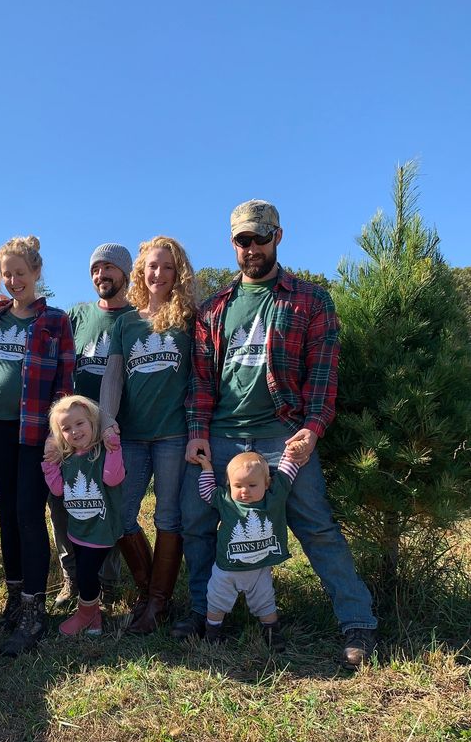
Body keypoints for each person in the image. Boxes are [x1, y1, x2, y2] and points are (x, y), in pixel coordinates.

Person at [176, 199, 378, 667]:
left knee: (315, 524)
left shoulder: (310, 299)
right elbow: (201, 381)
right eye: (242, 240)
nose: (251, 249)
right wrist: (198, 432)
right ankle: (206, 612)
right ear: (234, 243)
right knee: (197, 522)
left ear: (278, 237)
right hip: (222, 436)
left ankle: (358, 623)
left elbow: (323, 375)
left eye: (259, 238)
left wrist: (311, 428)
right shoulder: (213, 309)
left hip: (283, 435)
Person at [0, 235, 75, 657]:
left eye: (21, 272)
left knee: (28, 515)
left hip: (35, 431)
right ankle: (14, 597)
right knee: (6, 516)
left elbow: (64, 382)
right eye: (7, 273)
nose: (14, 280)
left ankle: (35, 608)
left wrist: (57, 436)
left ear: (36, 273)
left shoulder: (54, 321)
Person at [100, 236, 197, 633]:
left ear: (179, 274)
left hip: (175, 434)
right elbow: (113, 376)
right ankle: (148, 591)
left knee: (168, 516)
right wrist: (106, 419)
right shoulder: (127, 323)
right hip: (133, 437)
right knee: (122, 514)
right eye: (152, 266)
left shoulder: (190, 318)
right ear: (141, 271)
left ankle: (157, 605)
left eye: (168, 267)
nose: (159, 274)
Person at [49, 243, 133, 608]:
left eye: (109, 268)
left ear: (126, 274)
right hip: (72, 434)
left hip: (113, 432)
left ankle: (107, 582)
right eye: (96, 269)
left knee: (108, 505)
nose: (102, 275)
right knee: (64, 503)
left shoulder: (135, 318)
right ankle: (72, 578)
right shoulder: (77, 316)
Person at [196, 449, 299, 647]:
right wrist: (207, 469)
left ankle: (271, 633)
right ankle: (212, 632)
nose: (245, 491)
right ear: (229, 485)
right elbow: (207, 491)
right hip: (227, 570)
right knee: (216, 601)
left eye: (252, 485)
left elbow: (286, 474)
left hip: (260, 569)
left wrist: (291, 454)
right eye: (238, 485)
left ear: (266, 484)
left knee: (266, 601)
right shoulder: (226, 501)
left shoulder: (274, 498)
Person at [43, 395, 125, 637]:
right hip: (77, 529)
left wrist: (113, 446)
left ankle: (84, 615)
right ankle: (95, 619)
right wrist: (49, 465)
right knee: (84, 572)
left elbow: (112, 478)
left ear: (92, 422)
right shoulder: (66, 458)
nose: (75, 432)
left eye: (80, 424)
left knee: (87, 575)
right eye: (66, 428)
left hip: (101, 530)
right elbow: (58, 490)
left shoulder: (103, 451)